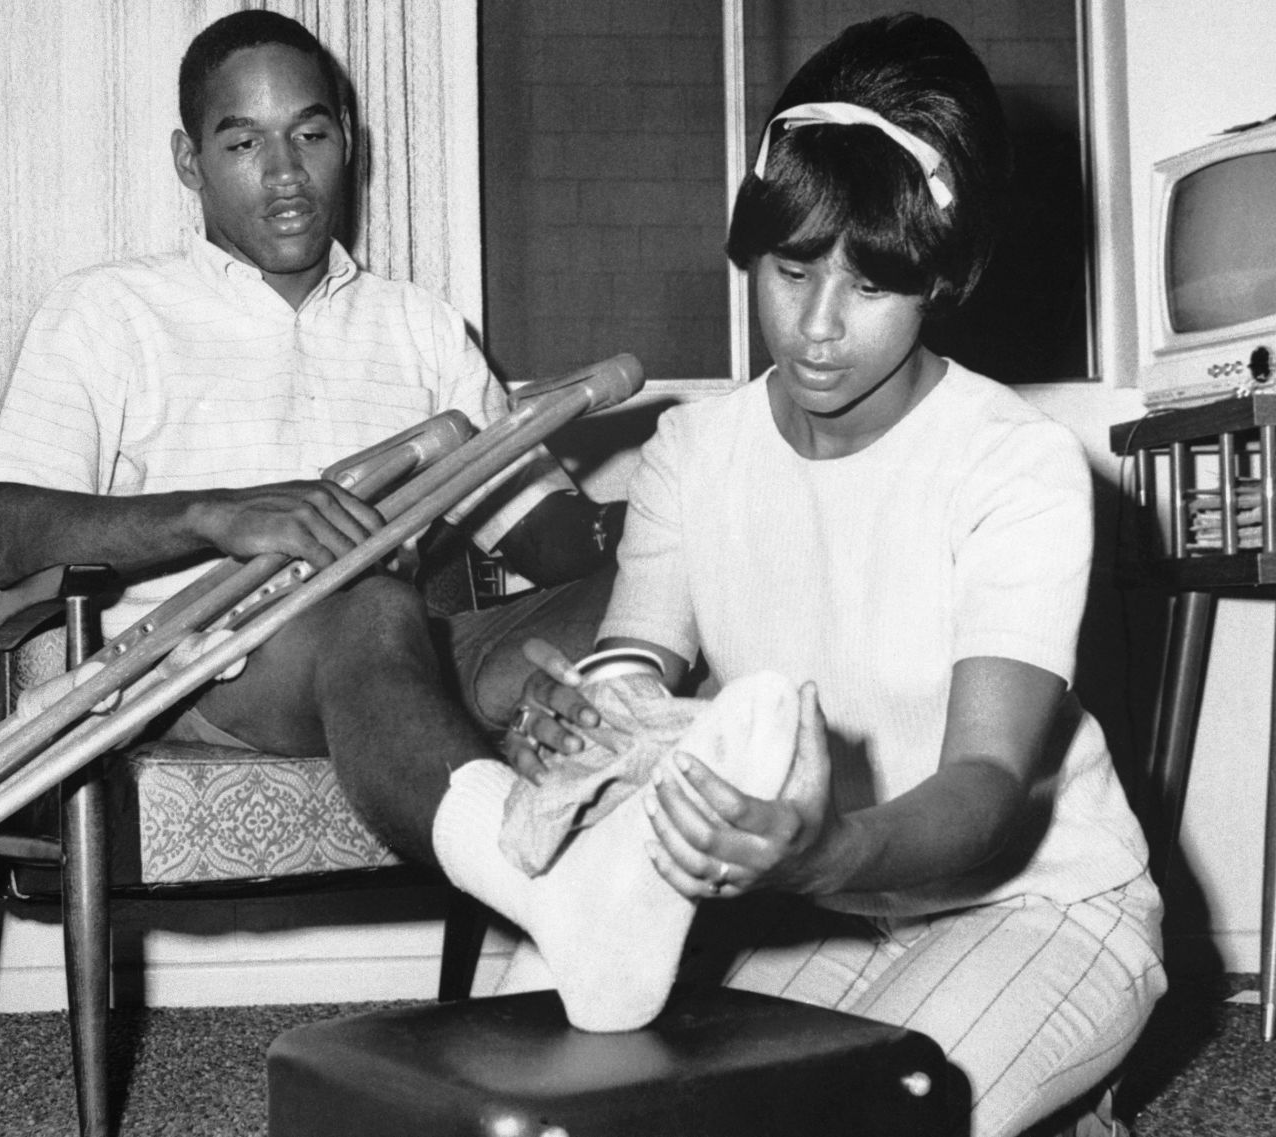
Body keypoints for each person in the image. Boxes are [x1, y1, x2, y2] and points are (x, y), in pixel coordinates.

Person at [494, 14, 1166, 1137]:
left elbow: (989, 792)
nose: (814, 327)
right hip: (809, 909)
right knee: (564, 1075)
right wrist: (579, 729)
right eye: (791, 267)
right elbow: (633, 658)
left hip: (1036, 907)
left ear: (943, 277)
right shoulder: (694, 452)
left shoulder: (1014, 464)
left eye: (871, 286)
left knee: (852, 1123)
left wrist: (826, 851)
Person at [0, 10, 622, 866]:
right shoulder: (108, 311)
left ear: (347, 141)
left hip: (412, 654)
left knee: (684, 579)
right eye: (243, 144)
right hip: (214, 673)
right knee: (372, 604)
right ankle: (528, 878)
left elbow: (554, 536)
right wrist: (217, 514)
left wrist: (672, 522)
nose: (285, 173)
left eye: (309, 133)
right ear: (189, 161)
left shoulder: (417, 324)